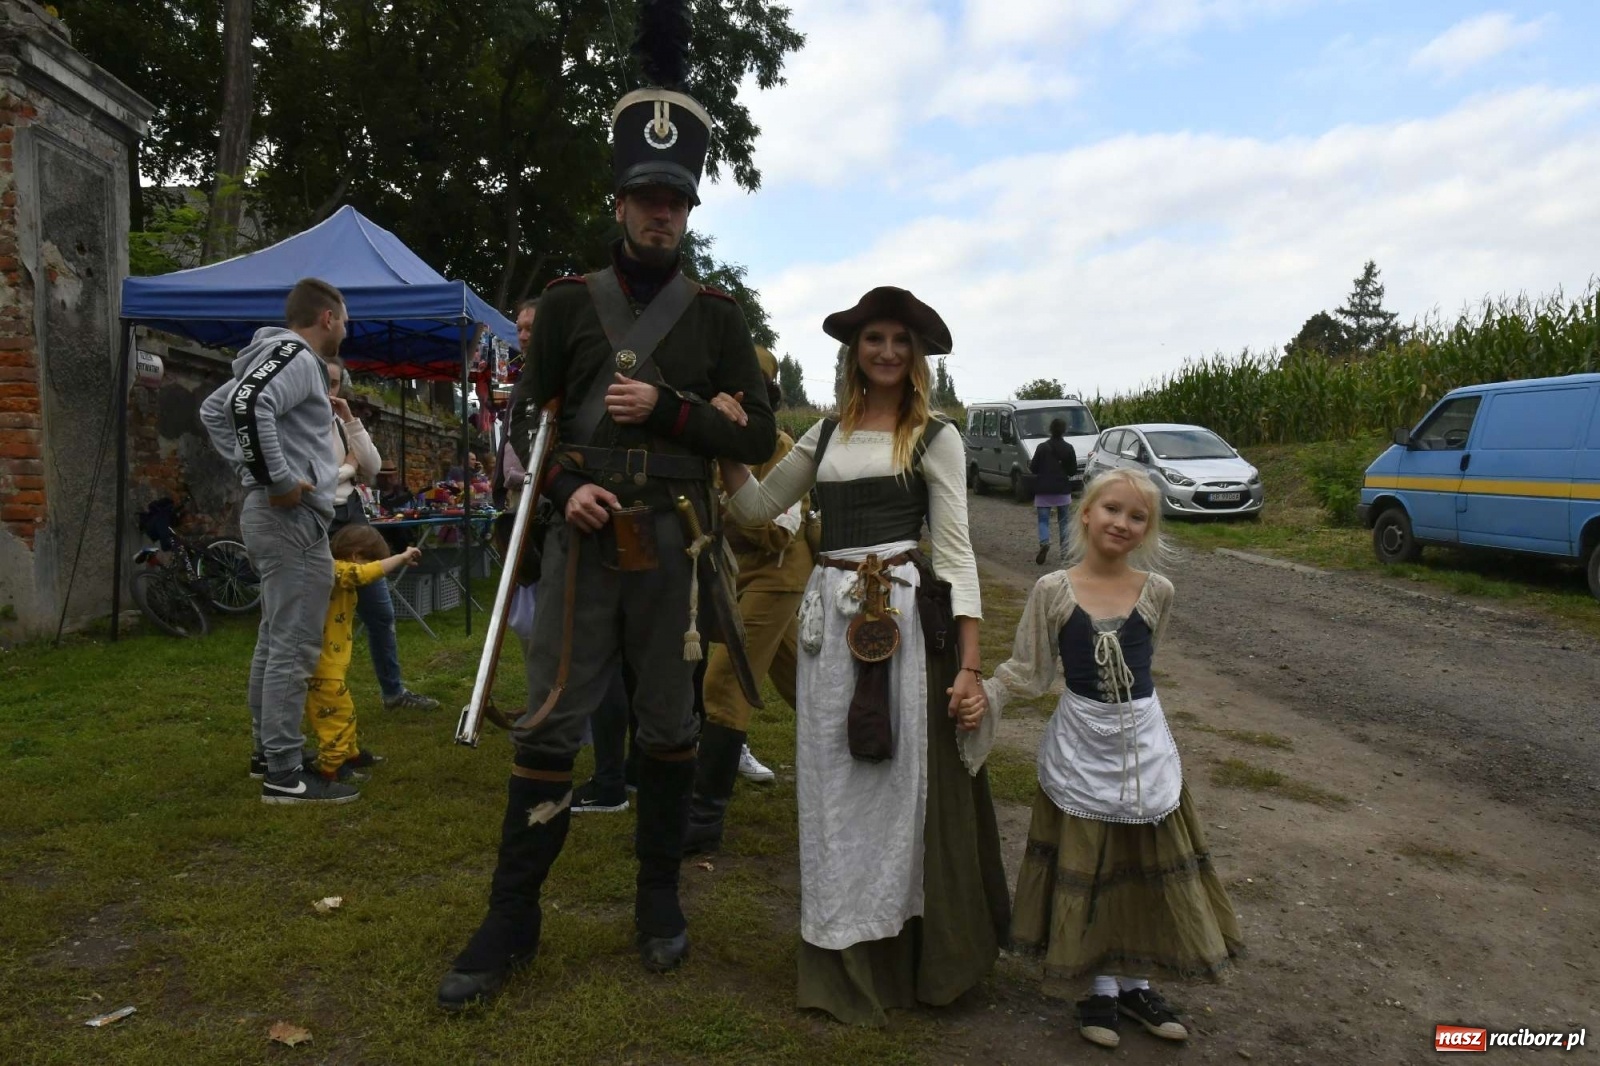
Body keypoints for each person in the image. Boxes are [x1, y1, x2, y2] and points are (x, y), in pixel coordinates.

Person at [434, 39, 776, 1010]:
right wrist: (553, 498)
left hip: (674, 539)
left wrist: (671, 413)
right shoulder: (565, 305)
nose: (660, 213)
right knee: (550, 726)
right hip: (581, 542)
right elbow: (521, 436)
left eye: (675, 201)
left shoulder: (717, 315)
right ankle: (512, 920)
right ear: (619, 204)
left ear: (685, 212)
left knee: (669, 725)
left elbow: (751, 425)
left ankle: (658, 899)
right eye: (645, 197)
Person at [718, 287, 1009, 1027]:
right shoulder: (823, 436)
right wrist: (723, 447)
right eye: (873, 338)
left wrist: (970, 666)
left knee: (899, 784)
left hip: (905, 620)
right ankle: (841, 945)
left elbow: (955, 553)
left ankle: (904, 948)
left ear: (915, 356)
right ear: (855, 351)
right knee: (833, 779)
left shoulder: (936, 435)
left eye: (899, 341)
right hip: (833, 622)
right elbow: (755, 512)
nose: (886, 351)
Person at [980, 468, 1244, 1050]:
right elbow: (1029, 669)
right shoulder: (1052, 590)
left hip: (1142, 742)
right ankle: (1097, 986)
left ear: (1148, 528)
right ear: (1086, 514)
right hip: (1082, 743)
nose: (1122, 523)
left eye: (1137, 516)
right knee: (1089, 858)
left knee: (1142, 855)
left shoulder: (1157, 592)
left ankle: (1137, 982)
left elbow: (1148, 659)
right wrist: (988, 695)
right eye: (1112, 510)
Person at [199, 277, 357, 805]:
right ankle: (284, 774)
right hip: (288, 520)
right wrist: (279, 480)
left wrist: (259, 470)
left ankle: (269, 754)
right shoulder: (294, 354)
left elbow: (215, 410)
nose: (347, 328)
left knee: (275, 639)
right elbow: (247, 406)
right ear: (328, 318)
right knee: (293, 644)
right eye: (346, 318)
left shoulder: (271, 355)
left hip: (281, 520)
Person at [682, 345, 811, 853]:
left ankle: (704, 818)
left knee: (723, 679)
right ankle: (860, 753)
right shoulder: (705, 444)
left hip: (778, 574)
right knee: (804, 681)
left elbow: (779, 529)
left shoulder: (777, 446)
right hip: (735, 575)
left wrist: (722, 509)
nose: (728, 399)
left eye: (739, 391)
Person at [323, 358, 442, 713]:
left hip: (354, 522)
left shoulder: (341, 422)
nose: (326, 390)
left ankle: (393, 692)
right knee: (319, 618)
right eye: (320, 381)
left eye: (332, 383)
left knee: (380, 612)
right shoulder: (298, 423)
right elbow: (314, 485)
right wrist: (347, 467)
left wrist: (349, 419)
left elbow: (373, 467)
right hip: (319, 522)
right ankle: (322, 695)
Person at [304, 526, 423, 787]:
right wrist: (402, 557)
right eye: (371, 560)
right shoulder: (335, 570)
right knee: (334, 717)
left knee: (344, 712)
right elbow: (363, 573)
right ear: (356, 556)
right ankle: (329, 769)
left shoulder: (337, 570)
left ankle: (350, 755)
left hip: (331, 663)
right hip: (321, 666)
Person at [1030, 417, 1078, 565]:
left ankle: (1044, 542)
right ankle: (1064, 552)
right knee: (1064, 522)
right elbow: (1072, 471)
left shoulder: (1042, 447)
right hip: (1062, 490)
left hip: (1043, 490)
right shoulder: (1068, 448)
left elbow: (1034, 468)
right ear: (1064, 430)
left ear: (1050, 429)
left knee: (1043, 520)